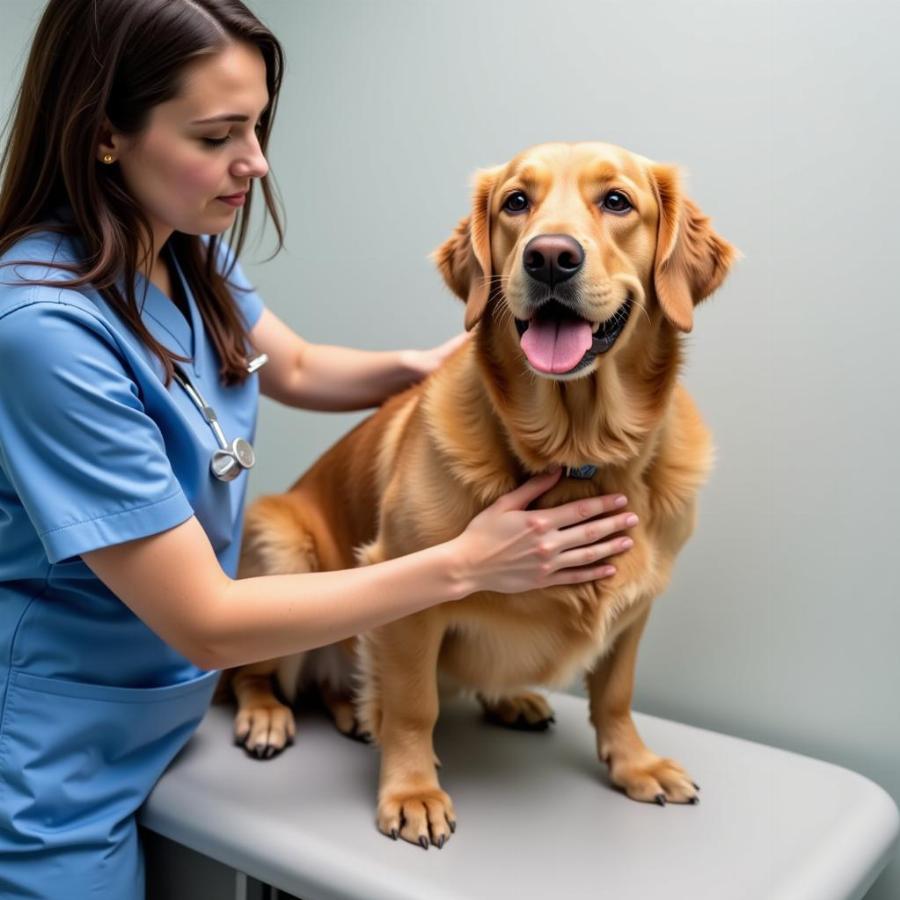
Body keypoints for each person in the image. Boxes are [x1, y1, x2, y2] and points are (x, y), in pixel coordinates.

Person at [0, 1, 638, 897]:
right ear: (106, 137)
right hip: (52, 751)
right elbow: (206, 619)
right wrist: (463, 563)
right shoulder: (41, 331)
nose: (254, 163)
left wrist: (426, 366)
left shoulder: (184, 248)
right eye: (219, 134)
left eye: (257, 124)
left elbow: (292, 364)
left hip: (176, 714)